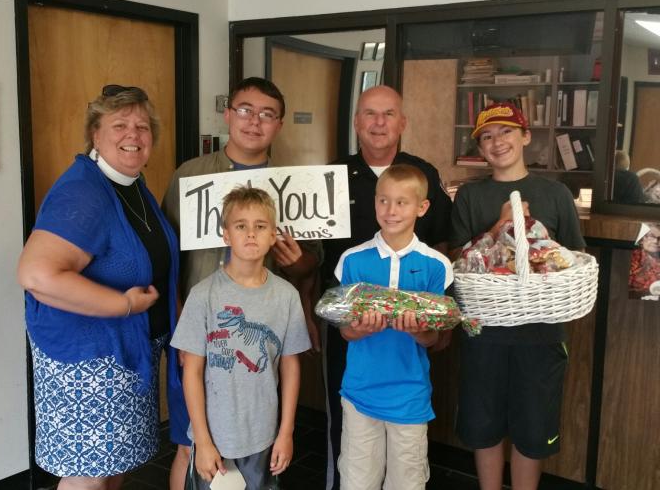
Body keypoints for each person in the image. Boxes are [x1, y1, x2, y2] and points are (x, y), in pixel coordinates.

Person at [17, 85, 188, 490]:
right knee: (89, 478)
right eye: (120, 124)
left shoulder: (131, 185)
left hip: (124, 357)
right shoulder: (84, 190)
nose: (134, 135)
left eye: (143, 127)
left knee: (113, 472)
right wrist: (123, 305)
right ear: (95, 133)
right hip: (89, 363)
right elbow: (36, 274)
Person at [162, 76, 321, 488]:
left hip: (258, 352)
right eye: (246, 110)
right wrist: (182, 327)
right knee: (190, 445)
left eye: (267, 115)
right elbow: (168, 257)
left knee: (256, 452)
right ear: (228, 114)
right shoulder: (189, 176)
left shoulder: (296, 185)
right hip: (200, 335)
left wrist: (300, 261)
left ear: (279, 124)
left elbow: (312, 265)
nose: (255, 122)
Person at [322, 85, 453, 489]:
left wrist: (429, 328)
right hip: (359, 381)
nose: (379, 123)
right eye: (370, 114)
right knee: (355, 470)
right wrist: (346, 324)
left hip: (409, 391)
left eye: (389, 114)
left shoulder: (424, 176)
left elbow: (437, 326)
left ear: (402, 122)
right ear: (357, 121)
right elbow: (339, 315)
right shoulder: (333, 177)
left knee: (408, 476)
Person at [449, 102, 585, 490]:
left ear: (526, 136)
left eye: (506, 132)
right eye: (487, 137)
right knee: (483, 425)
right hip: (483, 330)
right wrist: (500, 227)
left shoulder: (556, 194)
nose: (497, 142)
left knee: (532, 429)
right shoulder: (470, 197)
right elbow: (456, 261)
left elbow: (575, 258)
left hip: (541, 333)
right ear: (479, 148)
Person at [171, 186, 311, 489]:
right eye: (240, 226)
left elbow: (290, 367)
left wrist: (285, 432)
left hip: (263, 437)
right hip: (213, 440)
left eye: (260, 226)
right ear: (225, 234)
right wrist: (203, 442)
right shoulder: (203, 295)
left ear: (273, 234)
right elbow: (192, 371)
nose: (251, 234)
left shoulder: (287, 296)